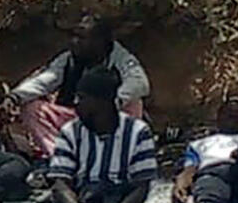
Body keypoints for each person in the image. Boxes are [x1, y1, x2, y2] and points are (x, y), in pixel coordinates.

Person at [39, 65, 166, 203]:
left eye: (82, 98)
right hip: (80, 199)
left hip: (121, 201)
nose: (76, 103)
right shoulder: (70, 131)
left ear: (101, 102)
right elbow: (61, 184)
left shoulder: (137, 131)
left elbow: (141, 187)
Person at [10, 16, 150, 158]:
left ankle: (114, 154)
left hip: (107, 120)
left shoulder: (120, 59)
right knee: (31, 108)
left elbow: (140, 83)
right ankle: (60, 156)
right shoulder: (68, 59)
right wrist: (15, 97)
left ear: (99, 41)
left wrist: (113, 103)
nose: (74, 42)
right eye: (74, 36)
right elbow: (45, 81)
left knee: (134, 103)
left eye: (81, 38)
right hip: (75, 118)